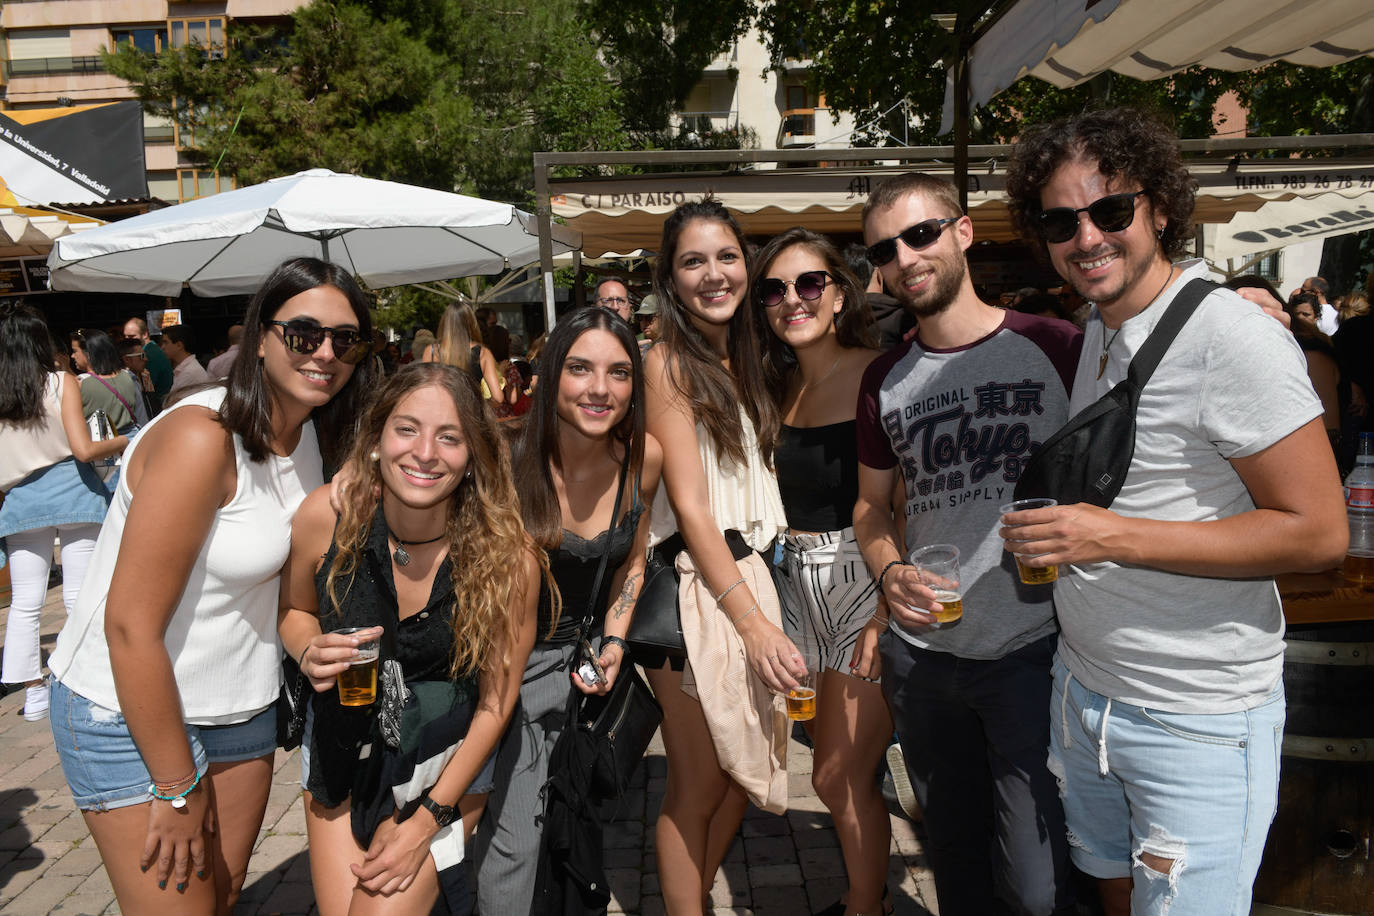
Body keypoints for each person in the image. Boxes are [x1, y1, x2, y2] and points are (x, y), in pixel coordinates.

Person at [1003, 106, 1347, 916]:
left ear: (1158, 206)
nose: (1086, 237)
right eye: (1061, 220)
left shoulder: (1235, 339)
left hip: (1195, 717)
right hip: (1085, 690)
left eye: (1110, 210)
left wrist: (1108, 534)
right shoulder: (1101, 327)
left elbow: (1319, 533)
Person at [47, 257, 376, 914]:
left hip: (242, 712)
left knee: (218, 900)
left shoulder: (314, 433)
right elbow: (128, 625)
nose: (326, 353)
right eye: (305, 333)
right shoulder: (204, 437)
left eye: (346, 339)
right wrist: (175, 784)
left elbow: (286, 584)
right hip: (126, 716)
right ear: (260, 336)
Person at [852, 172, 1080, 916]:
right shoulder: (884, 379)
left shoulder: (1056, 346)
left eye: (920, 234)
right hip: (925, 655)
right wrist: (887, 574)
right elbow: (871, 507)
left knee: (1038, 886)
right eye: (885, 249)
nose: (905, 258)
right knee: (954, 857)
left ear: (963, 232)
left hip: (1033, 645)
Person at [280, 362, 540, 915]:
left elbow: (496, 704)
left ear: (473, 457)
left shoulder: (508, 559)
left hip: (444, 761)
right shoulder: (325, 518)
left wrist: (429, 819)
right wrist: (308, 650)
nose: (425, 452)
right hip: (342, 749)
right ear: (376, 438)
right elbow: (294, 609)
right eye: (407, 429)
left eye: (450, 437)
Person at [474, 307, 662, 914]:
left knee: (570, 842)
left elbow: (633, 560)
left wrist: (614, 642)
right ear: (551, 374)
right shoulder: (503, 459)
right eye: (580, 368)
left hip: (583, 685)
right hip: (504, 676)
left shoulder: (643, 460)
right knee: (511, 849)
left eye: (619, 372)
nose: (600, 389)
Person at [642, 199, 798, 913]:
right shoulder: (668, 362)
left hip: (750, 578)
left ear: (748, 263)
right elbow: (694, 508)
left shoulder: (755, 356)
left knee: (740, 776)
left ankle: (690, 897)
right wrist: (752, 624)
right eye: (693, 261)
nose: (713, 274)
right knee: (700, 784)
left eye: (726, 256)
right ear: (671, 281)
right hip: (697, 591)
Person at [754, 227, 894, 916]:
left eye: (810, 283)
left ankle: (869, 907)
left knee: (842, 774)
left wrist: (885, 612)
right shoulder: (776, 388)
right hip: (795, 587)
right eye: (775, 289)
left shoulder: (880, 372)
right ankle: (865, 899)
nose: (793, 300)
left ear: (839, 293)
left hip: (861, 581)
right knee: (828, 765)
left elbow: (910, 503)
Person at [0, 305, 128, 722]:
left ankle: (33, 691)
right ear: (41, 341)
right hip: (74, 493)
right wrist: (124, 441)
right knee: (79, 593)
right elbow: (85, 449)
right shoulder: (60, 382)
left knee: (25, 601)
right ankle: (83, 677)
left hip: (21, 499)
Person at [423, 303, 516, 410]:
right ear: (472, 323)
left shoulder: (431, 351)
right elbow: (498, 398)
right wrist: (477, 408)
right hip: (471, 419)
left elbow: (425, 391)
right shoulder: (482, 352)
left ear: (445, 322)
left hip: (441, 416)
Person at [71, 328, 143, 433]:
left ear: (88, 353)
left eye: (75, 351)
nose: (72, 356)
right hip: (131, 441)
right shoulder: (128, 376)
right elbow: (140, 414)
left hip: (104, 444)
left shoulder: (79, 383)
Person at [123, 315, 173, 407]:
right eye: (125, 337)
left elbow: (144, 390)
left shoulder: (150, 354)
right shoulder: (152, 348)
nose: (128, 340)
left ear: (145, 334)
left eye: (132, 336)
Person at [159, 324, 211, 399]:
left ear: (179, 345)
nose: (162, 347)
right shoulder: (186, 369)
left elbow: (172, 404)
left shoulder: (190, 372)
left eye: (166, 342)